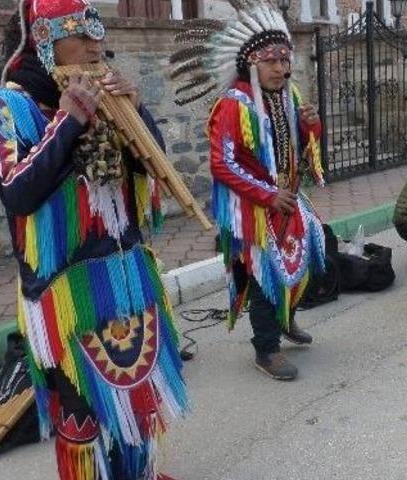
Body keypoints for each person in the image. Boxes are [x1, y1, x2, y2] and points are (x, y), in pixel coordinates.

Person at [0, 0, 187, 478]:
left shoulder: (107, 90)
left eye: (100, 33)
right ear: (45, 38)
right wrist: (68, 121)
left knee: (138, 396)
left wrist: (135, 110)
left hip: (126, 268)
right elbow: (17, 191)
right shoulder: (11, 103)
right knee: (83, 408)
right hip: (65, 285)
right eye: (83, 34)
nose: (98, 46)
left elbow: (151, 166)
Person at [169, 1, 326, 381]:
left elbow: (299, 148)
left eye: (284, 60)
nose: (281, 68)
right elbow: (222, 164)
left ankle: (285, 319)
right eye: (270, 61)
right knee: (263, 277)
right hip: (251, 210)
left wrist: (312, 126)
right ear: (250, 62)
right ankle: (266, 350)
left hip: (285, 200)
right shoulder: (232, 105)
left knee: (314, 254)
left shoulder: (289, 97)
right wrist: (267, 195)